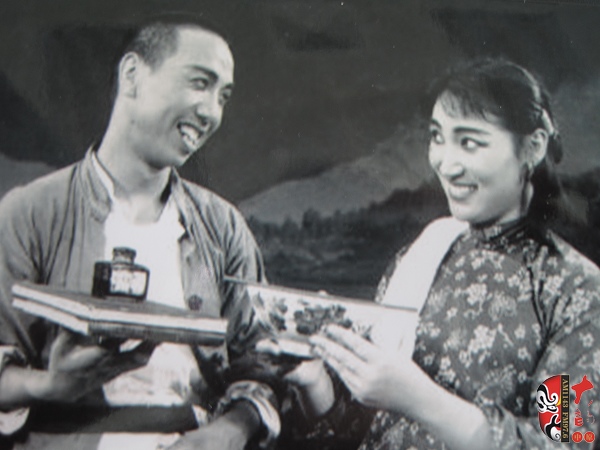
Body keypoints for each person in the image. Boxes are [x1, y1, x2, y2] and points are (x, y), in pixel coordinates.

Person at [277, 58, 600, 449]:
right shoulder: (420, 256)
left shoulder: (573, 290)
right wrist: (314, 382)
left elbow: (563, 441)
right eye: (437, 137)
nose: (445, 164)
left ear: (532, 147)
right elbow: (358, 430)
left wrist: (419, 399)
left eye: (469, 142)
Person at [0, 19, 281, 450]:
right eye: (200, 83)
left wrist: (231, 430)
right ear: (132, 75)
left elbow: (263, 368)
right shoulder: (29, 213)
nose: (211, 112)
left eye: (223, 96)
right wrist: (52, 385)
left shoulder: (223, 227)